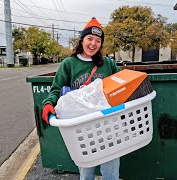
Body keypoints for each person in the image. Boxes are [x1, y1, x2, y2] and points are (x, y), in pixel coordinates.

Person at [41, 17, 121, 180]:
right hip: (82, 127)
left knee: (111, 170)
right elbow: (56, 89)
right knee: (86, 171)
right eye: (89, 38)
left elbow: (122, 84)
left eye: (98, 40)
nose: (93, 44)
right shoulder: (69, 64)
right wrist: (49, 103)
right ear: (82, 40)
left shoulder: (108, 64)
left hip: (107, 124)